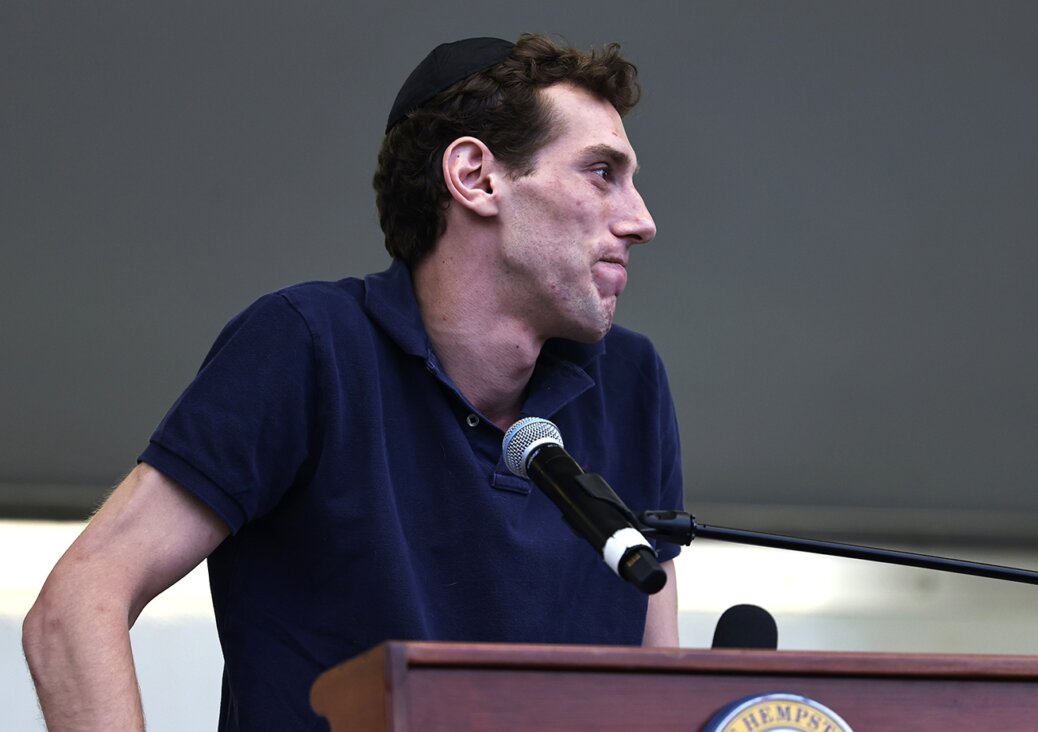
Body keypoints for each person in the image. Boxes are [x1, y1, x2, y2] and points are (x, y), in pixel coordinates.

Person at [23, 34, 683, 730]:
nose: (642, 221)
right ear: (476, 177)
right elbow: (75, 607)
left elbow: (664, 689)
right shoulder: (306, 345)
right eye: (602, 172)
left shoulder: (632, 384)